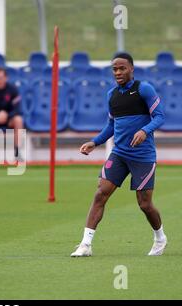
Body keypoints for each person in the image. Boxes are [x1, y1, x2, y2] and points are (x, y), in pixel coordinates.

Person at [71, 52, 166, 257]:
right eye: (114, 69)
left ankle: (160, 237)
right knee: (100, 193)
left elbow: (160, 117)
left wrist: (144, 131)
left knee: (145, 204)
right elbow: (111, 126)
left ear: (131, 68)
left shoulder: (144, 89)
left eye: (122, 68)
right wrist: (94, 142)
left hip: (143, 156)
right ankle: (85, 245)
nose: (118, 72)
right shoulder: (111, 95)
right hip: (119, 154)